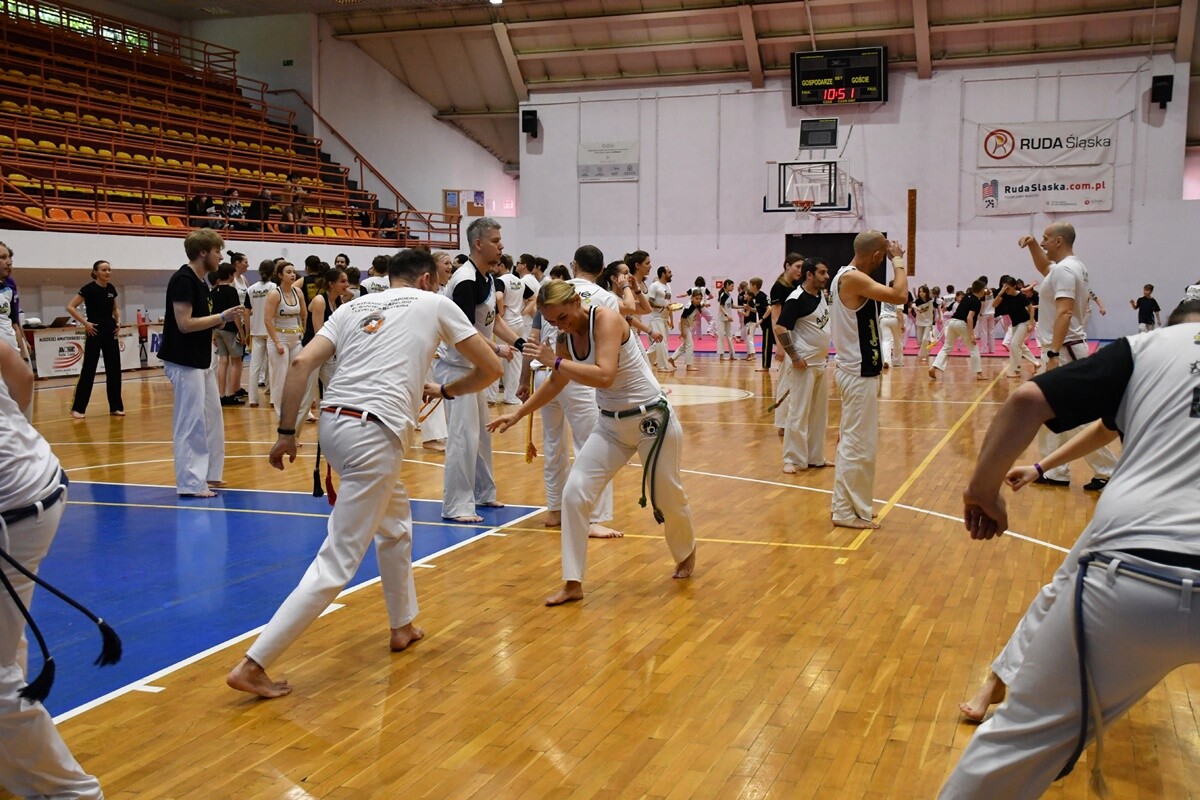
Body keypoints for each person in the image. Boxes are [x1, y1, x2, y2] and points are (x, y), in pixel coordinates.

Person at [940, 299, 1200, 800]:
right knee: (1059, 587)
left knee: (1018, 743)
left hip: (1136, 563)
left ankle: (1036, 718)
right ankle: (1002, 689)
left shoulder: (1146, 350)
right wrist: (1040, 469)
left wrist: (980, 490)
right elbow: (1106, 427)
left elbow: (1025, 400)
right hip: (1134, 554)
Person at [225, 248, 503, 699]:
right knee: (338, 560)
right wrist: (449, 390)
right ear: (430, 279)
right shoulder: (435, 303)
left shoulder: (353, 305)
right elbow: (490, 367)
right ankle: (253, 664)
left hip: (334, 423)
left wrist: (285, 432)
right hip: (375, 431)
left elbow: (300, 364)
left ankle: (403, 624)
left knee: (394, 525)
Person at [489, 280, 697, 606]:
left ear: (575, 301)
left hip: (651, 420)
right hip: (611, 425)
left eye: (562, 317)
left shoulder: (606, 319)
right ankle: (573, 583)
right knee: (574, 494)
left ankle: (686, 550)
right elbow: (558, 381)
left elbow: (604, 375)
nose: (560, 325)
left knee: (666, 495)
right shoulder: (563, 337)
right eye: (553, 321)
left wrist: (554, 361)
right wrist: (519, 414)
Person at [0, 343, 106, 799]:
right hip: (37, 478)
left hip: (13, 506)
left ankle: (72, 793)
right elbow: (20, 375)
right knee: (6, 635)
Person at [435, 217, 523, 523]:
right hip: (457, 368)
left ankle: (483, 492)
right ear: (478, 244)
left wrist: (520, 343)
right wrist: (495, 349)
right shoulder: (466, 281)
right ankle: (456, 505)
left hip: (477, 366)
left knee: (481, 434)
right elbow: (460, 334)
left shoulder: (487, 279)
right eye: (496, 241)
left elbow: (492, 321)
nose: (501, 245)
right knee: (462, 436)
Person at [1019, 223, 1117, 491]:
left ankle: (1109, 470)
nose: (1043, 243)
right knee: (1044, 412)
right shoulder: (1071, 266)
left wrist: (1052, 353)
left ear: (1059, 241)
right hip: (1064, 348)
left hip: (1063, 350)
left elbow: (1064, 312)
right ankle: (1056, 471)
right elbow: (1043, 268)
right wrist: (1030, 247)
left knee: (1074, 417)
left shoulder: (1064, 270)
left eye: (1045, 239)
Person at [158, 229, 247, 498]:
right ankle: (190, 481)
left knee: (211, 418)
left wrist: (220, 320)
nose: (221, 257)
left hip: (201, 359)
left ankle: (209, 474)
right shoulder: (183, 280)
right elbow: (184, 324)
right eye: (217, 251)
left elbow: (201, 321)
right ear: (203, 252)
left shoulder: (200, 281)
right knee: (191, 421)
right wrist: (221, 315)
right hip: (184, 361)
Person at [829, 232, 908, 529]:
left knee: (861, 444)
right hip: (856, 373)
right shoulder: (852, 278)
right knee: (856, 445)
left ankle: (854, 506)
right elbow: (900, 295)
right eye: (883, 258)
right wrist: (899, 260)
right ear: (877, 256)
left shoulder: (849, 276)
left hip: (859, 372)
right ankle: (844, 512)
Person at [774, 258, 831, 474]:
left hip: (820, 364)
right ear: (810, 275)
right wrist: (795, 357)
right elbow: (780, 328)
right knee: (798, 412)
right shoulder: (796, 299)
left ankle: (815, 456)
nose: (826, 276)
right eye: (822, 272)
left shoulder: (820, 296)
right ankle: (792, 458)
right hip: (803, 365)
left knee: (819, 413)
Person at [67, 259, 125, 418]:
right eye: (104, 270)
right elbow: (70, 307)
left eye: (109, 270)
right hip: (94, 332)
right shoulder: (88, 289)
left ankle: (116, 407)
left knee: (114, 369)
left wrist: (118, 322)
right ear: (96, 272)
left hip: (110, 331)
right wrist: (86, 323)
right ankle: (78, 408)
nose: (108, 272)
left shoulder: (112, 289)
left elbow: (115, 309)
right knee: (89, 369)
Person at [264, 261, 307, 437]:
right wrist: (277, 342)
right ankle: (281, 414)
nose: (292, 274)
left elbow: (304, 314)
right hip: (279, 337)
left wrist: (303, 331)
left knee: (296, 375)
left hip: (295, 337)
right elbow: (267, 320)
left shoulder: (298, 292)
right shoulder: (274, 294)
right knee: (280, 378)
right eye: (288, 272)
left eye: (293, 271)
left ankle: (300, 411)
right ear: (280, 275)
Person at [929, 278, 986, 381]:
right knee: (973, 348)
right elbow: (969, 317)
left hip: (952, 322)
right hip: (962, 323)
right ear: (981, 290)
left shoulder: (966, 297)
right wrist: (972, 335)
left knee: (947, 347)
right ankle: (979, 374)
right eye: (984, 289)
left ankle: (934, 367)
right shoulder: (976, 301)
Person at [209, 263, 247, 406]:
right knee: (236, 362)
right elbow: (236, 314)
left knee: (223, 361)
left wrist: (213, 332)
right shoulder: (231, 291)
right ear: (231, 275)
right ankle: (231, 394)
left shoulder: (213, 291)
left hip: (217, 328)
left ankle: (221, 394)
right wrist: (242, 333)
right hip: (230, 329)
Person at [245, 260, 277, 408]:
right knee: (273, 365)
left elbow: (246, 312)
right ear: (274, 272)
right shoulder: (274, 288)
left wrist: (246, 332)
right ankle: (273, 399)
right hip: (271, 331)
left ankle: (252, 399)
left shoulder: (250, 289)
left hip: (256, 331)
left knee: (254, 366)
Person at [993, 276, 1038, 378]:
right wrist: (1000, 293)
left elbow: (1031, 309)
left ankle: (1017, 370)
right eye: (1004, 288)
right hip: (1015, 324)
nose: (1006, 290)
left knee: (1014, 345)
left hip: (1024, 322)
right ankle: (1036, 363)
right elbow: (994, 305)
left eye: (1008, 288)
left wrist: (1030, 323)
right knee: (1020, 345)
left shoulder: (1021, 296)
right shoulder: (1005, 295)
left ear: (1014, 287)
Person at [646, 266, 674, 373]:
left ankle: (644, 360)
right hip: (656, 318)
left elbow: (667, 302)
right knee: (661, 341)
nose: (671, 274)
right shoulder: (654, 286)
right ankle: (662, 367)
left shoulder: (668, 286)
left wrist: (671, 310)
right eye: (669, 272)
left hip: (665, 318)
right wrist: (662, 307)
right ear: (663, 274)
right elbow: (650, 302)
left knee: (662, 342)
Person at [668, 290, 703, 371]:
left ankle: (672, 358)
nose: (698, 300)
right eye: (696, 298)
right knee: (690, 345)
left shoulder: (696, 304)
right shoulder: (689, 306)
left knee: (685, 345)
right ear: (692, 298)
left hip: (687, 326)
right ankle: (689, 365)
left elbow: (701, 305)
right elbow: (682, 318)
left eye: (700, 299)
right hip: (684, 325)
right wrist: (682, 332)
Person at [744, 277, 768, 364]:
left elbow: (769, 309)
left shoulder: (762, 296)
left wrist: (761, 319)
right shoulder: (757, 297)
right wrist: (750, 308)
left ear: (754, 286)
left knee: (767, 344)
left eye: (750, 285)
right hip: (763, 323)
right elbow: (759, 310)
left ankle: (764, 364)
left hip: (767, 323)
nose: (749, 286)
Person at [715, 279, 736, 359]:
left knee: (729, 336)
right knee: (721, 336)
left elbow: (732, 306)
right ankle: (721, 355)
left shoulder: (729, 295)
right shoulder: (723, 295)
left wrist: (743, 307)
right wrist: (727, 315)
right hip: (721, 319)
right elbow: (721, 307)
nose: (733, 288)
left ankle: (732, 354)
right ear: (727, 285)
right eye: (732, 286)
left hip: (728, 319)